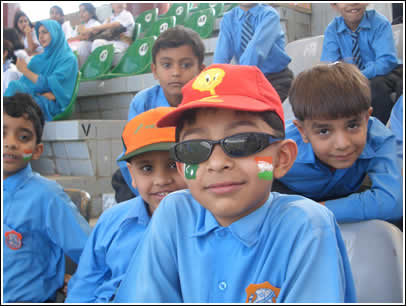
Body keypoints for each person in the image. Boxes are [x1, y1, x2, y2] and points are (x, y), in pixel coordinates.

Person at [113, 64, 356, 303]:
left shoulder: (305, 226)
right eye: (195, 148)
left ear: (281, 159)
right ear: (181, 167)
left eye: (243, 142)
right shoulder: (175, 213)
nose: (217, 163)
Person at [65, 107, 186, 302]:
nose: (161, 180)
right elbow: (84, 286)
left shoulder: (208, 223)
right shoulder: (112, 221)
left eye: (173, 165)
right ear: (131, 175)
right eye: (147, 168)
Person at [273, 62, 402, 224]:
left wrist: (317, 211)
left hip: (339, 199)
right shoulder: (279, 146)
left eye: (353, 125)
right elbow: (257, 169)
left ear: (367, 118)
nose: (342, 144)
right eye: (324, 131)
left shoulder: (379, 140)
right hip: (288, 196)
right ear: (303, 131)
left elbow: (394, 201)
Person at [3, 93, 91, 303]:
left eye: (23, 137)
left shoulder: (47, 197)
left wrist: (79, 283)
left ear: (36, 150)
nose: (10, 143)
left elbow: (90, 252)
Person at [113, 25, 205, 201]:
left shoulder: (208, 104)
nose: (176, 73)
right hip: (152, 169)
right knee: (121, 176)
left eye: (186, 65)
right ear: (154, 70)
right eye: (167, 65)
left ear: (201, 70)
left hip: (194, 171)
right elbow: (133, 150)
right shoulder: (143, 102)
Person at [321, 3, 402, 125]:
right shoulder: (332, 30)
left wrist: (357, 76)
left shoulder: (379, 23)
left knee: (375, 87)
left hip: (386, 73)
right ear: (334, 5)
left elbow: (386, 61)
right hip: (350, 77)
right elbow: (330, 66)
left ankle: (380, 130)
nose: (353, 3)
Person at [213, 4, 293, 102]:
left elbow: (256, 50)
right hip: (248, 80)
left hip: (275, 79)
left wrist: (240, 80)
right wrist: (214, 81)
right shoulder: (228, 19)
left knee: (265, 112)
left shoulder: (269, 15)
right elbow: (220, 58)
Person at [4, 19, 79, 121]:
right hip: (34, 96)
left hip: (51, 104)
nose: (41, 36)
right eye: (39, 33)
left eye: (45, 32)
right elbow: (25, 84)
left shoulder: (68, 59)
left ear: (55, 33)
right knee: (14, 86)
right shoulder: (37, 59)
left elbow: (52, 87)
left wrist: (25, 71)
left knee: (22, 104)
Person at [67, 3, 101, 68]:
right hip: (81, 46)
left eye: (84, 11)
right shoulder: (80, 25)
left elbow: (86, 37)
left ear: (91, 13)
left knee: (82, 45)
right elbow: (70, 39)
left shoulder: (95, 23)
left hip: (91, 46)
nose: (81, 14)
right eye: (80, 12)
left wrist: (78, 37)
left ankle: (85, 68)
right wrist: (78, 37)